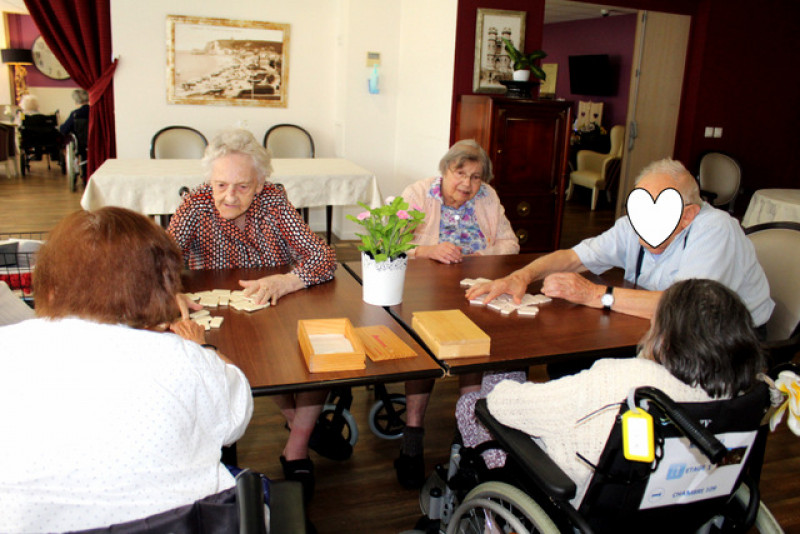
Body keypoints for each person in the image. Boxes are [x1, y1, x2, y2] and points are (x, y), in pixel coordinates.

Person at [0, 207, 253, 532]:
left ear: (51, 283)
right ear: (161, 286)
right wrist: (203, 347)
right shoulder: (187, 360)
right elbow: (237, 418)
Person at [458, 279, 766, 507]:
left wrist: (507, 389)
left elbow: (500, 406)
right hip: (672, 503)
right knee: (510, 379)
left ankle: (490, 523)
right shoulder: (745, 392)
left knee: (475, 401)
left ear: (668, 339)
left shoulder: (625, 380)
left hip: (573, 498)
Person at [167, 128, 339, 502]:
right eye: (220, 185)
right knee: (241, 361)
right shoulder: (195, 205)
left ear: (260, 184)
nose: (229, 196)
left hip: (273, 307)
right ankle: (302, 424)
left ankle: (296, 445)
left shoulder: (274, 203)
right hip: (218, 314)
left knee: (317, 358)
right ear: (208, 181)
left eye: (242, 187)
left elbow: (324, 256)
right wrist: (171, 288)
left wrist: (288, 280)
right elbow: (160, 259)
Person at [466, 158, 774, 328]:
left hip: (729, 341)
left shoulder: (716, 230)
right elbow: (573, 258)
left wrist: (596, 294)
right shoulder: (635, 224)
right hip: (663, 328)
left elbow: (686, 308)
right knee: (570, 364)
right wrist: (521, 275)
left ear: (687, 215)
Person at [395, 139, 520, 489]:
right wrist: (427, 250)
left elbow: (511, 244)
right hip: (424, 288)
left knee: (476, 348)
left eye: (476, 177)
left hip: (474, 287)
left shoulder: (488, 198)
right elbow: (388, 243)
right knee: (423, 353)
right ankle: (414, 433)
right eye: (459, 172)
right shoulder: (419, 194)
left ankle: (465, 431)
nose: (466, 183)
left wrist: (482, 254)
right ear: (445, 170)